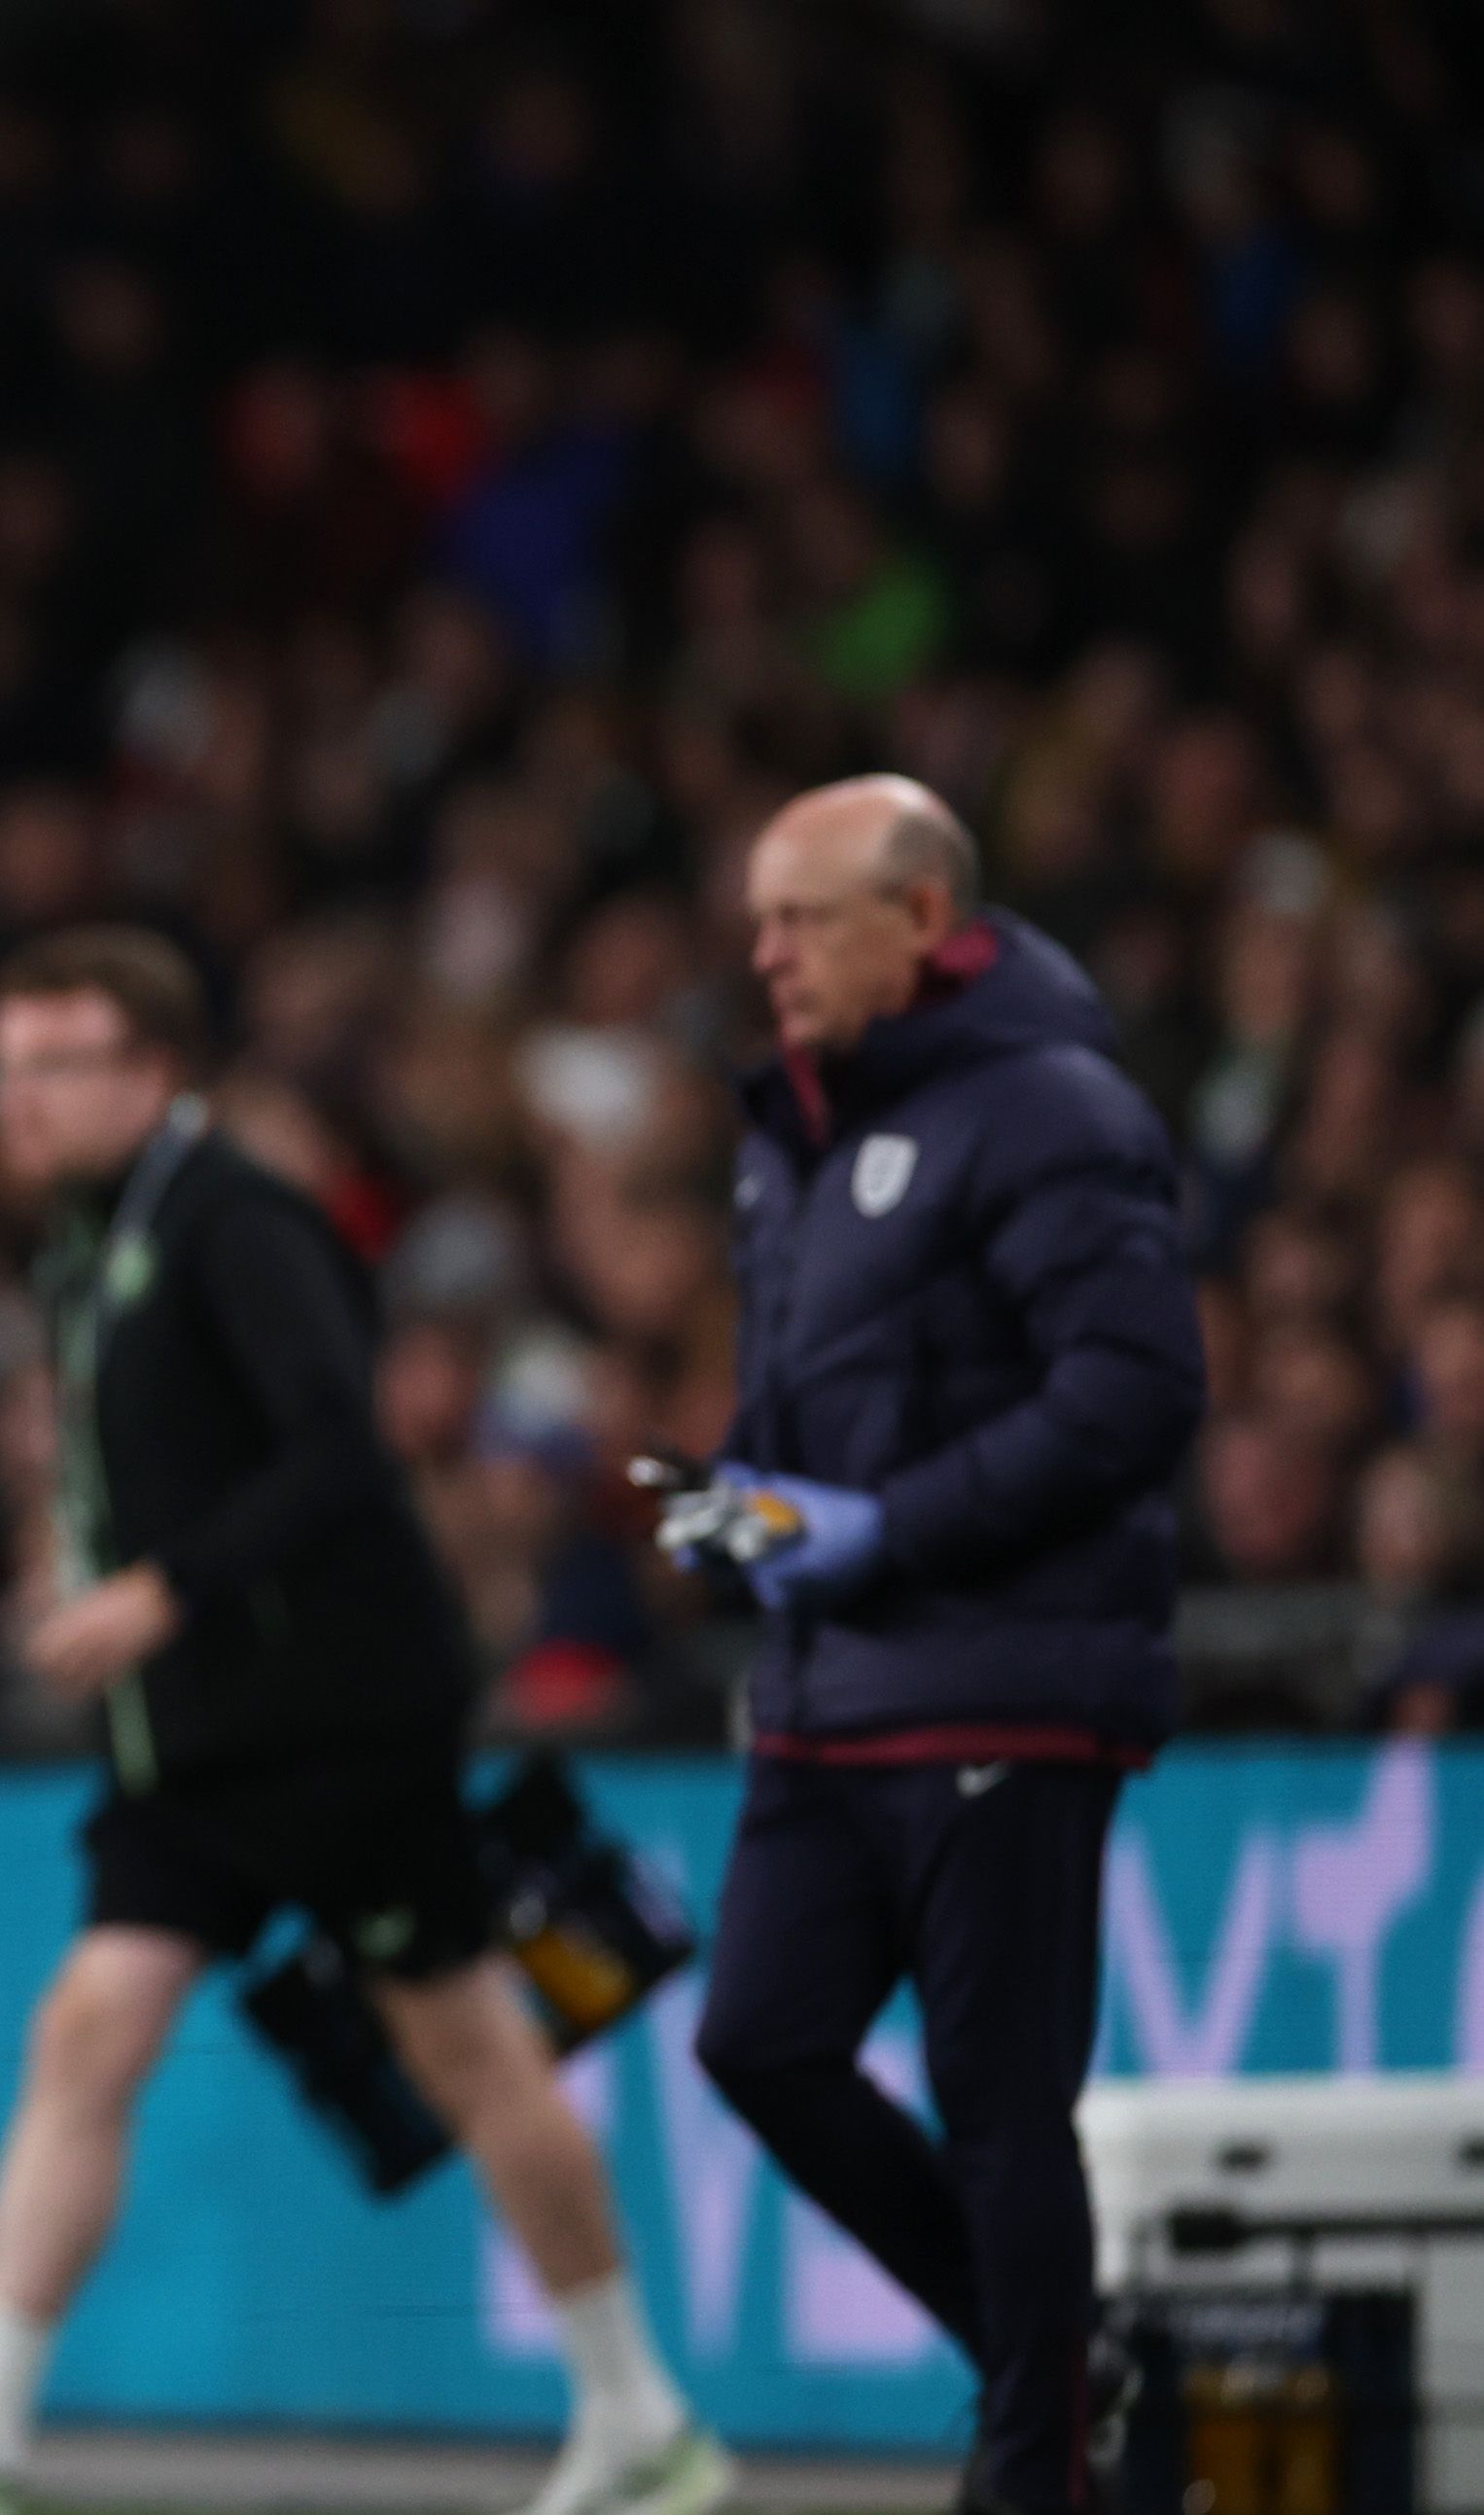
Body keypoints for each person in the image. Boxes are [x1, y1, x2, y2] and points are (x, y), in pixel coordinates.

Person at [0, 928, 722, 2515]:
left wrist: (162, 1590)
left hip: (331, 1721)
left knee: (467, 2048)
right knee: (88, 2029)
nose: (17, 1100)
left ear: (151, 1072)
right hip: (189, 1739)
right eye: (4, 1067)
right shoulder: (87, 1244)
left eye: (55, 1064)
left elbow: (338, 1452)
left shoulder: (233, 1220)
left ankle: (638, 2421)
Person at [674, 778, 1202, 2515]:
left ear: (919, 917)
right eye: (756, 920)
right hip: (827, 1690)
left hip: (1005, 1678)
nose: (763, 953)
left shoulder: (1049, 1108)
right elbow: (813, 1403)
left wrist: (887, 1528)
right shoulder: (789, 1136)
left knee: (998, 2106)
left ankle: (1030, 2481)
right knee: (754, 2037)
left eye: (798, 917)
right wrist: (740, 1509)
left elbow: (1131, 1392)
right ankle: (1045, 2363)